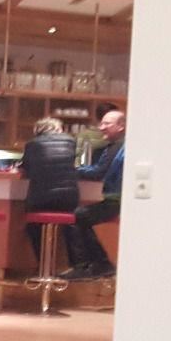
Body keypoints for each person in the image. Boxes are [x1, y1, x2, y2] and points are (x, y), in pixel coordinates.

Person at [66, 110, 126, 279]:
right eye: (102, 123)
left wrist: (74, 170)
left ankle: (87, 266)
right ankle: (101, 263)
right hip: (117, 200)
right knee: (81, 217)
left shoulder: (117, 147)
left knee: (77, 217)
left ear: (121, 126)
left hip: (117, 201)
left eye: (107, 124)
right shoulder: (117, 146)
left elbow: (98, 173)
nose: (101, 127)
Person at [17, 117, 79, 263]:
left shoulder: (32, 144)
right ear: (58, 129)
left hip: (41, 198)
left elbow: (27, 168)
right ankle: (75, 266)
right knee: (72, 226)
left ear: (38, 131)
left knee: (33, 227)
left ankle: (43, 266)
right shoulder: (70, 142)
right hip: (69, 198)